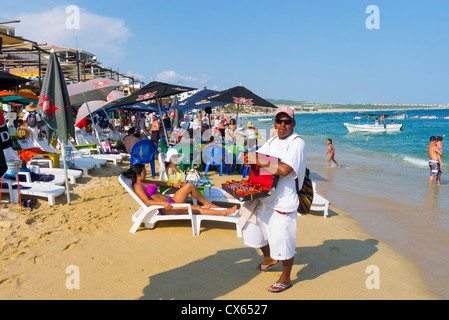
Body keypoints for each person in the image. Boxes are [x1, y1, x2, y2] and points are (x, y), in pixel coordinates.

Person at [242, 105, 305, 293]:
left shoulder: (297, 142)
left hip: (283, 199)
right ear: (274, 122)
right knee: (255, 231)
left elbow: (285, 169)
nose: (283, 125)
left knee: (284, 239)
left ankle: (286, 277)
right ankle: (269, 258)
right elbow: (257, 157)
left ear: (293, 123)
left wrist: (256, 159)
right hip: (264, 195)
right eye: (279, 121)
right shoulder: (272, 141)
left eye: (287, 122)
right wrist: (248, 158)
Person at [122, 163, 237, 216]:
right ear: (137, 174)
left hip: (171, 201)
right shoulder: (138, 187)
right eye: (144, 172)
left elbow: (158, 182)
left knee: (189, 186)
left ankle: (207, 204)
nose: (146, 174)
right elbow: (147, 202)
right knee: (195, 208)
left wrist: (172, 185)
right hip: (165, 208)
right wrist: (162, 203)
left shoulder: (145, 182)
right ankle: (224, 212)